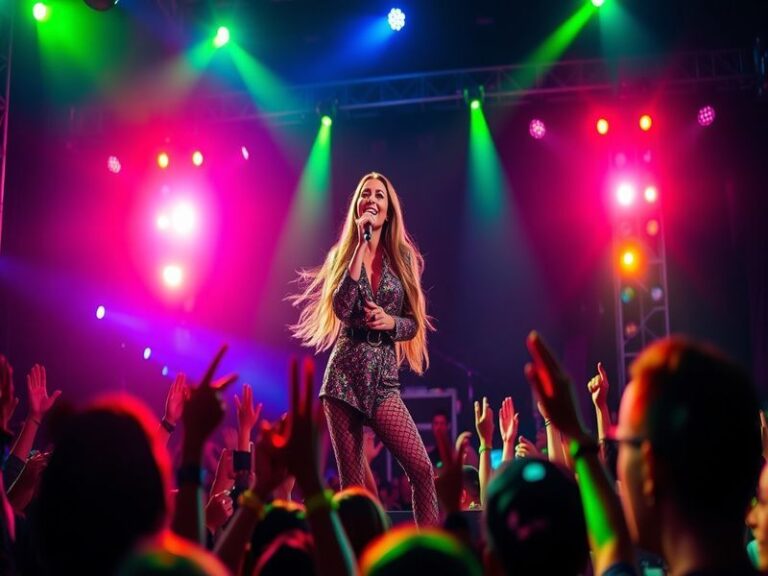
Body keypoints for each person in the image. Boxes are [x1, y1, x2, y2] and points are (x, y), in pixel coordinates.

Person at [290, 172, 438, 526]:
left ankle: (431, 556)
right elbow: (342, 308)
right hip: (344, 376)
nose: (372, 200)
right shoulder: (344, 255)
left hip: (382, 382)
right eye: (366, 194)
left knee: (422, 470)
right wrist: (360, 246)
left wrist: (390, 322)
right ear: (359, 206)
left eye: (379, 196)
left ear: (388, 212)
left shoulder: (402, 258)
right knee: (352, 490)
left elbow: (413, 323)